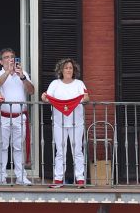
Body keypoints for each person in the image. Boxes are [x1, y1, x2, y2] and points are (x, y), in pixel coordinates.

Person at [0, 47, 35, 185]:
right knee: (2, 147)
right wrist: (8, 72)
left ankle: (21, 176)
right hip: (3, 116)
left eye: (12, 56)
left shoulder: (22, 74)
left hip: (19, 116)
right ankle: (1, 176)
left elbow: (31, 91)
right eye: (6, 57)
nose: (10, 59)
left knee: (18, 147)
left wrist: (22, 76)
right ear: (1, 61)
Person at [45, 58, 89, 187]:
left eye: (70, 68)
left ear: (74, 70)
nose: (68, 70)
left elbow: (86, 97)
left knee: (78, 151)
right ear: (61, 70)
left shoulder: (79, 84)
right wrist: (44, 97)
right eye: (66, 68)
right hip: (59, 122)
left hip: (77, 122)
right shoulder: (55, 83)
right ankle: (58, 179)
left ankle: (80, 179)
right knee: (60, 151)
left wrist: (83, 99)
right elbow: (47, 97)